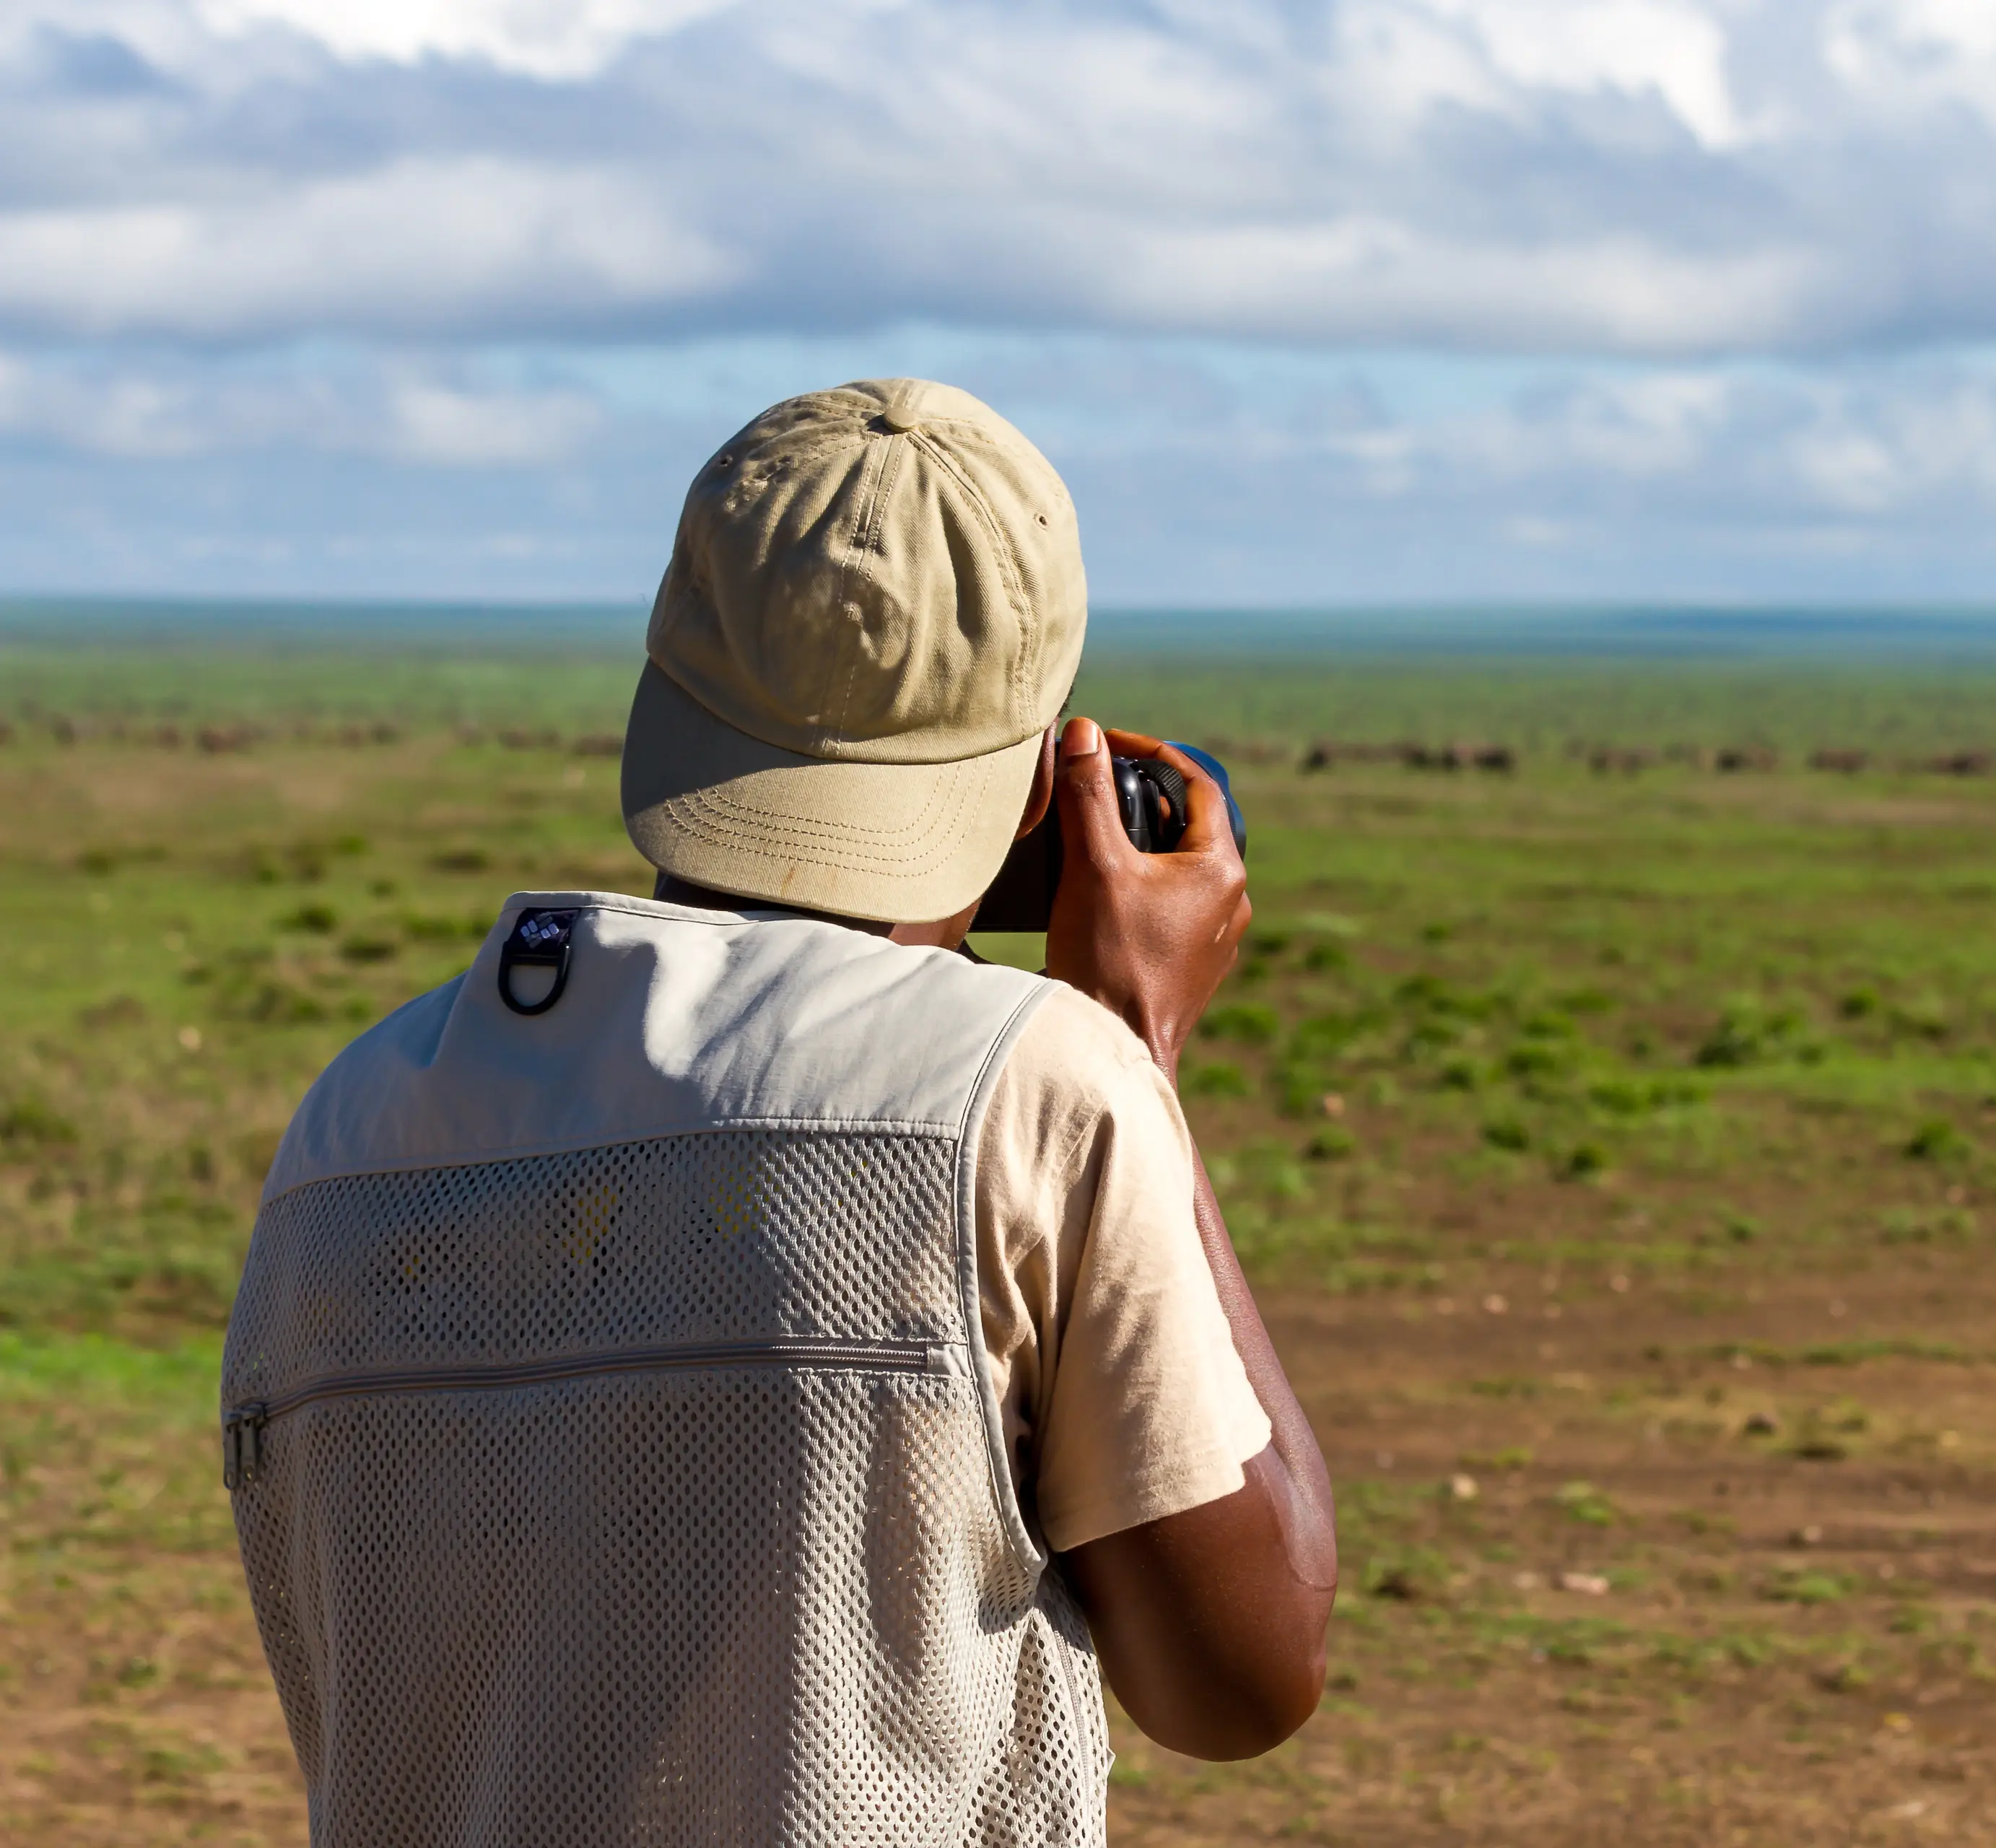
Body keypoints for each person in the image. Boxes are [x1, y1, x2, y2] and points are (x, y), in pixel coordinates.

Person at [219, 378, 1335, 1844]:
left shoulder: (358, 1119)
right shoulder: (1036, 1084)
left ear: (671, 684)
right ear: (1039, 781)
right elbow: (1242, 1677)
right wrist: (1135, 1052)